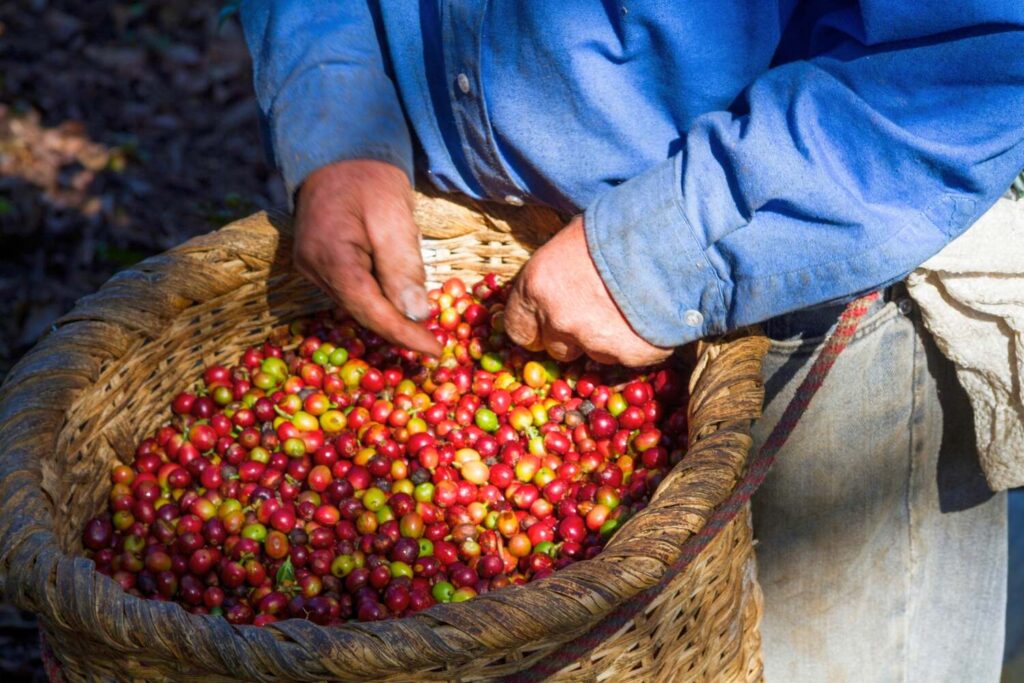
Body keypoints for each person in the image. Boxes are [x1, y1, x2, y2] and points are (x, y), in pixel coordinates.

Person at [239, 2, 1024, 680]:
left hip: (803, 272)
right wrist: (336, 106)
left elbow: (972, 53)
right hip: (456, 241)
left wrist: (658, 253)